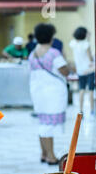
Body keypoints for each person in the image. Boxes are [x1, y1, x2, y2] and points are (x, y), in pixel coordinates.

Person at [28, 23, 70, 165]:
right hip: (53, 93)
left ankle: (44, 153)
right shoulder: (54, 53)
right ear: (51, 37)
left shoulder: (32, 53)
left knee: (43, 122)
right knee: (49, 125)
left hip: (38, 92)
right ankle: (51, 156)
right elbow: (65, 71)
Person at [69, 27, 95, 114]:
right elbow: (90, 58)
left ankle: (81, 110)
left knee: (81, 89)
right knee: (91, 90)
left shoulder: (73, 44)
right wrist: (88, 38)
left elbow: (76, 40)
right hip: (89, 69)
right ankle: (91, 109)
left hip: (80, 70)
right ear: (84, 34)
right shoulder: (86, 44)